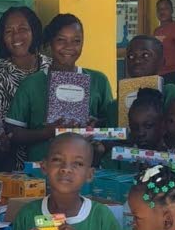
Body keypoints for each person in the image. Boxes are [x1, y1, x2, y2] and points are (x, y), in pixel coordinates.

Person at [6, 13, 115, 163]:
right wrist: (48, 132)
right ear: (50, 43)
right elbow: (12, 133)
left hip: (86, 167)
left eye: (76, 41)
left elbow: (111, 126)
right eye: (61, 40)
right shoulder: (31, 84)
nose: (69, 47)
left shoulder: (99, 80)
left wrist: (95, 125)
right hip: (42, 168)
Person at [0, 6, 53, 170]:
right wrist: (46, 131)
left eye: (23, 29)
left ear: (34, 31)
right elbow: (3, 129)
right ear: (2, 38)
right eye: (8, 31)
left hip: (56, 157)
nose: (16, 36)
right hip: (16, 163)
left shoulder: (52, 67)